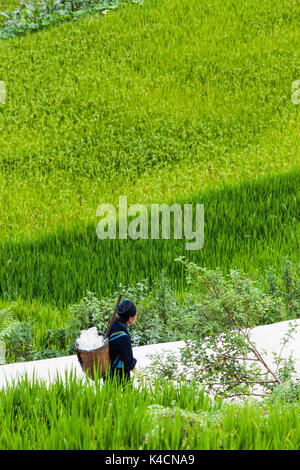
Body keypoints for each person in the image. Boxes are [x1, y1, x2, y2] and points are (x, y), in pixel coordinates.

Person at [103, 299, 137, 385]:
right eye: (136, 314)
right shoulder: (124, 337)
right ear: (130, 319)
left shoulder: (112, 325)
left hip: (107, 372)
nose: (137, 316)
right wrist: (142, 376)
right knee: (126, 396)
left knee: (107, 396)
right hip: (119, 374)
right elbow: (128, 361)